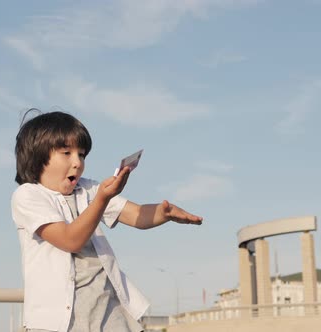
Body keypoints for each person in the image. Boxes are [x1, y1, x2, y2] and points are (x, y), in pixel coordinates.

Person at [11, 108, 203, 332]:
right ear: (38, 157)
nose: (78, 163)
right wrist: (102, 198)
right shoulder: (28, 196)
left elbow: (136, 215)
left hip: (107, 313)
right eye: (67, 153)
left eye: (82, 155)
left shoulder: (89, 189)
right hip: (56, 322)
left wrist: (163, 214)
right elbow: (70, 240)